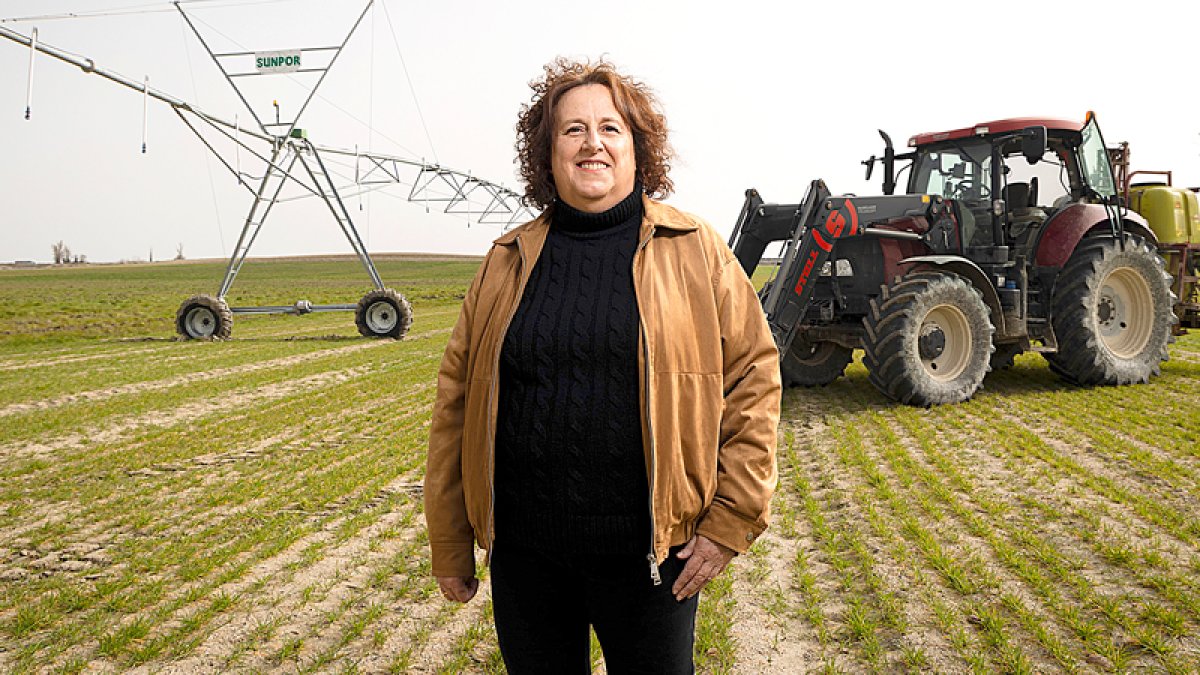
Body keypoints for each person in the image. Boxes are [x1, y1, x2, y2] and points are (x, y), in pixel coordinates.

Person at [424, 57, 780, 673]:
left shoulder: (696, 251)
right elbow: (457, 401)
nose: (593, 143)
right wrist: (451, 540)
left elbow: (754, 379)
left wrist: (731, 520)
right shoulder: (505, 261)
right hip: (526, 559)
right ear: (548, 153)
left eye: (610, 128)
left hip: (649, 559)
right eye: (573, 130)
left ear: (638, 148)